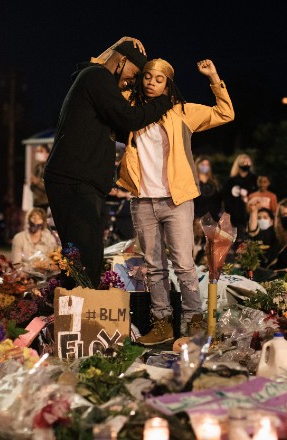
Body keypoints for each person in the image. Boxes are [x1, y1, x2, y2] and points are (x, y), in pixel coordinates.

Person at [117, 58, 234, 345]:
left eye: (159, 79)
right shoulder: (131, 109)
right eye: (147, 77)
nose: (151, 83)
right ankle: (162, 324)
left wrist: (214, 77)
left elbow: (225, 113)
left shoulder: (182, 112)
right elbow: (105, 82)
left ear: (168, 84)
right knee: (153, 265)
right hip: (142, 199)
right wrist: (121, 55)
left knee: (183, 263)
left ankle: (193, 321)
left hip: (176, 199)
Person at [44, 37, 173, 288]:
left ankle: (76, 312)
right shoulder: (96, 77)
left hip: (81, 181)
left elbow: (125, 130)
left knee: (86, 256)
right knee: (83, 258)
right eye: (134, 74)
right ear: (121, 60)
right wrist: (163, 101)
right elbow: (128, 118)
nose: (132, 81)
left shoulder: (95, 80)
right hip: (73, 179)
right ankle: (79, 315)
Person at [223, 153, 256, 239]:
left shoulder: (255, 180)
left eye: (248, 162)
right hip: (235, 218)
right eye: (243, 162)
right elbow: (227, 200)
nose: (246, 164)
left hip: (251, 216)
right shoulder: (230, 181)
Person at [193, 156, 222, 221]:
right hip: (198, 219)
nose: (205, 167)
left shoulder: (214, 182)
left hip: (214, 218)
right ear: (197, 165)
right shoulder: (193, 182)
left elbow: (219, 200)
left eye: (207, 165)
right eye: (203, 164)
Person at [30, 145, 50, 211]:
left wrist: (37, 182)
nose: (38, 153)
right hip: (37, 202)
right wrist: (32, 183)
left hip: (46, 203)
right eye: (37, 151)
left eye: (41, 151)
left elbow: (48, 186)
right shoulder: (37, 166)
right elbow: (32, 187)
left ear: (48, 153)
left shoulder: (49, 167)